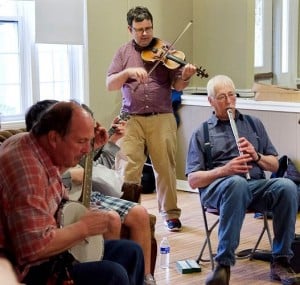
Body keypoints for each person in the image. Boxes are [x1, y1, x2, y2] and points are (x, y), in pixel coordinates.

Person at [0, 101, 145, 285]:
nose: (86, 149)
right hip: (28, 268)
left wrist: (92, 147)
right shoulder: (27, 170)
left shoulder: (32, 144)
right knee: (112, 274)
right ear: (53, 137)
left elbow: (51, 182)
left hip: (51, 251)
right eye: (81, 141)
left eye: (88, 141)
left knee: (131, 252)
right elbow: (34, 249)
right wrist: (83, 228)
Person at [185, 75, 300, 285]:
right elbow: (193, 180)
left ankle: (281, 260)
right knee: (236, 183)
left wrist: (256, 156)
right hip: (218, 189)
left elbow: (275, 165)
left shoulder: (253, 124)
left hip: (253, 186)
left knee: (287, 186)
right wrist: (224, 170)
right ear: (210, 101)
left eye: (231, 95)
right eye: (222, 97)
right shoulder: (201, 133)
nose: (229, 101)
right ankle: (223, 265)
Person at [106, 6, 197, 231]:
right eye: (140, 29)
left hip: (162, 116)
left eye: (148, 28)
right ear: (130, 29)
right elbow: (110, 84)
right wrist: (127, 72)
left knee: (165, 167)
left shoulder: (166, 49)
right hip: (131, 118)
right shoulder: (123, 53)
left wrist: (184, 77)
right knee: (128, 168)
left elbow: (177, 85)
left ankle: (171, 214)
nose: (145, 33)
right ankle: (128, 213)